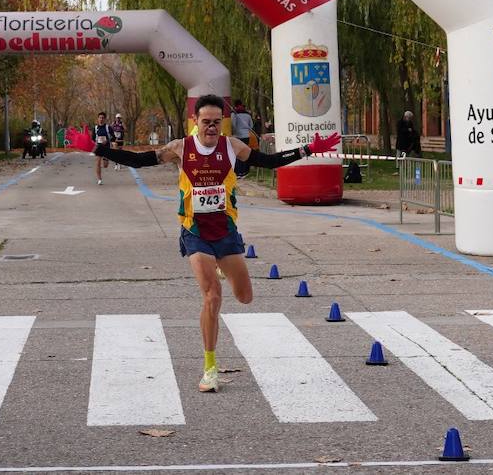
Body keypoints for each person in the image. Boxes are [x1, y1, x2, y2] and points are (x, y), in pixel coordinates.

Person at [65, 94, 341, 394]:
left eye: (215, 122)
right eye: (205, 122)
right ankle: (210, 368)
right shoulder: (180, 148)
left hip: (226, 231)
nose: (211, 127)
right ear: (195, 121)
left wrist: (308, 149)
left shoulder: (232, 146)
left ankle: (221, 266)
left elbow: (269, 162)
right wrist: (96, 148)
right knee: (212, 295)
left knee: (245, 297)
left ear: (222, 123)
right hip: (194, 230)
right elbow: (139, 160)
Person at [91, 111, 111, 184]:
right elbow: (92, 138)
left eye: (102, 118)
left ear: (104, 119)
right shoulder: (95, 128)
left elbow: (113, 137)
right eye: (100, 118)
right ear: (98, 119)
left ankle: (106, 160)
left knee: (105, 165)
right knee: (98, 163)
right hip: (98, 147)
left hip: (106, 147)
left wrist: (107, 141)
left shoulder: (108, 127)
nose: (101, 119)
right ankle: (99, 179)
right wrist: (95, 144)